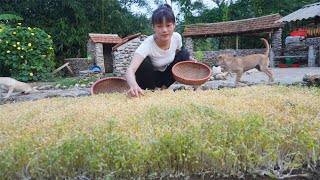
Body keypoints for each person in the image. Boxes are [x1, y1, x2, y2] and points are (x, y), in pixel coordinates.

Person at [125, 4, 190, 97]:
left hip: (165, 76)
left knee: (185, 53)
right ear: (153, 27)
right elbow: (130, 70)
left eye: (168, 25)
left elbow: (178, 54)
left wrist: (189, 60)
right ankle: (151, 90)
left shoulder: (177, 37)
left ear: (174, 25)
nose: (164, 30)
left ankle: (163, 89)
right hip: (149, 78)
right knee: (144, 61)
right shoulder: (147, 44)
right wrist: (133, 85)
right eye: (159, 26)